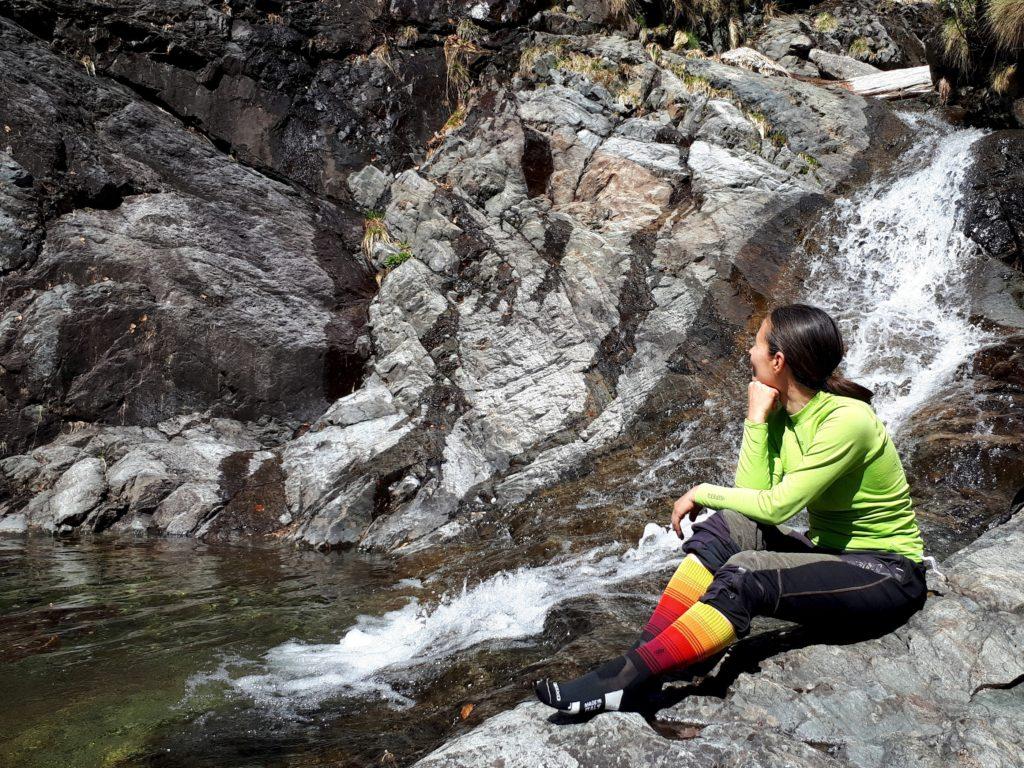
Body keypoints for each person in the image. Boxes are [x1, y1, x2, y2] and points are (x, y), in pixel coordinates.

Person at [534, 303, 928, 715]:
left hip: (886, 572)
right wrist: (757, 419)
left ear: (778, 360)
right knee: (728, 528)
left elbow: (779, 506)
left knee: (745, 576)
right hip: (828, 554)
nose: (749, 352)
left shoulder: (848, 419)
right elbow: (751, 499)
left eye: (757, 343)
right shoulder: (783, 415)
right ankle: (640, 667)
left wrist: (703, 490)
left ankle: (623, 678)